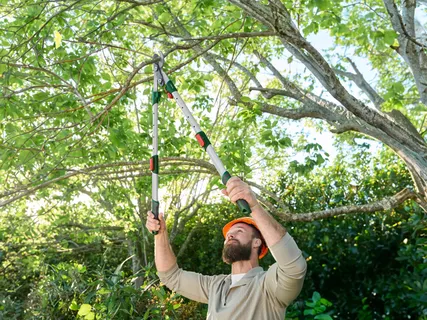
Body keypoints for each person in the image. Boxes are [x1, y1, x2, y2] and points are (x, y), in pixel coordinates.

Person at [145, 177, 307, 319]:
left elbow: (294, 266)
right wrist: (160, 235)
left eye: (239, 231)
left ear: (257, 242)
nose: (229, 235)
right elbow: (171, 277)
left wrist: (254, 207)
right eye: (228, 234)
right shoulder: (215, 286)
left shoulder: (269, 286)